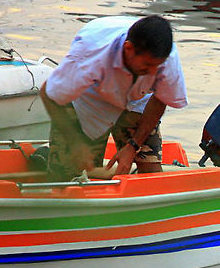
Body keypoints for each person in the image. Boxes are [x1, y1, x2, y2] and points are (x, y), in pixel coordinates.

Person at [39, 15, 188, 181]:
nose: (153, 72)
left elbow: (161, 98)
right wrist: (75, 142)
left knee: (151, 175)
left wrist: (133, 146)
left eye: (157, 67)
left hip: (137, 102)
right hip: (90, 100)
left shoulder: (166, 58)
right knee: (67, 174)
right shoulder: (89, 54)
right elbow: (48, 92)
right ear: (128, 48)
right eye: (147, 65)